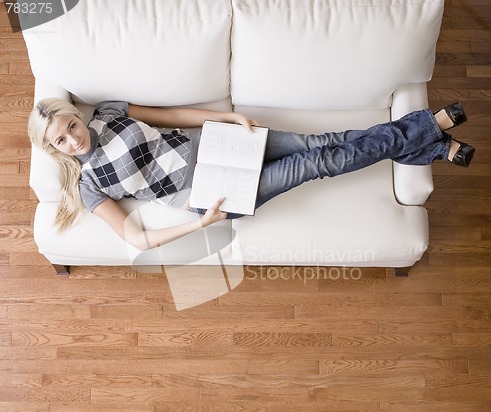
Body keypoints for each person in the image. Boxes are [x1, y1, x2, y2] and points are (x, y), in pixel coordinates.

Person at [28, 99, 474, 251]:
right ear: (53, 150)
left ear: (75, 117)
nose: (73, 138)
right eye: (61, 141)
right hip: (210, 193)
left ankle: (430, 143)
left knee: (321, 142)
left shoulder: (108, 112)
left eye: (70, 125)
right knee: (320, 163)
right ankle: (429, 126)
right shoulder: (90, 186)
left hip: (218, 143)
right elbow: (136, 239)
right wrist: (199, 224)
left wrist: (227, 115)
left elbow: (171, 115)